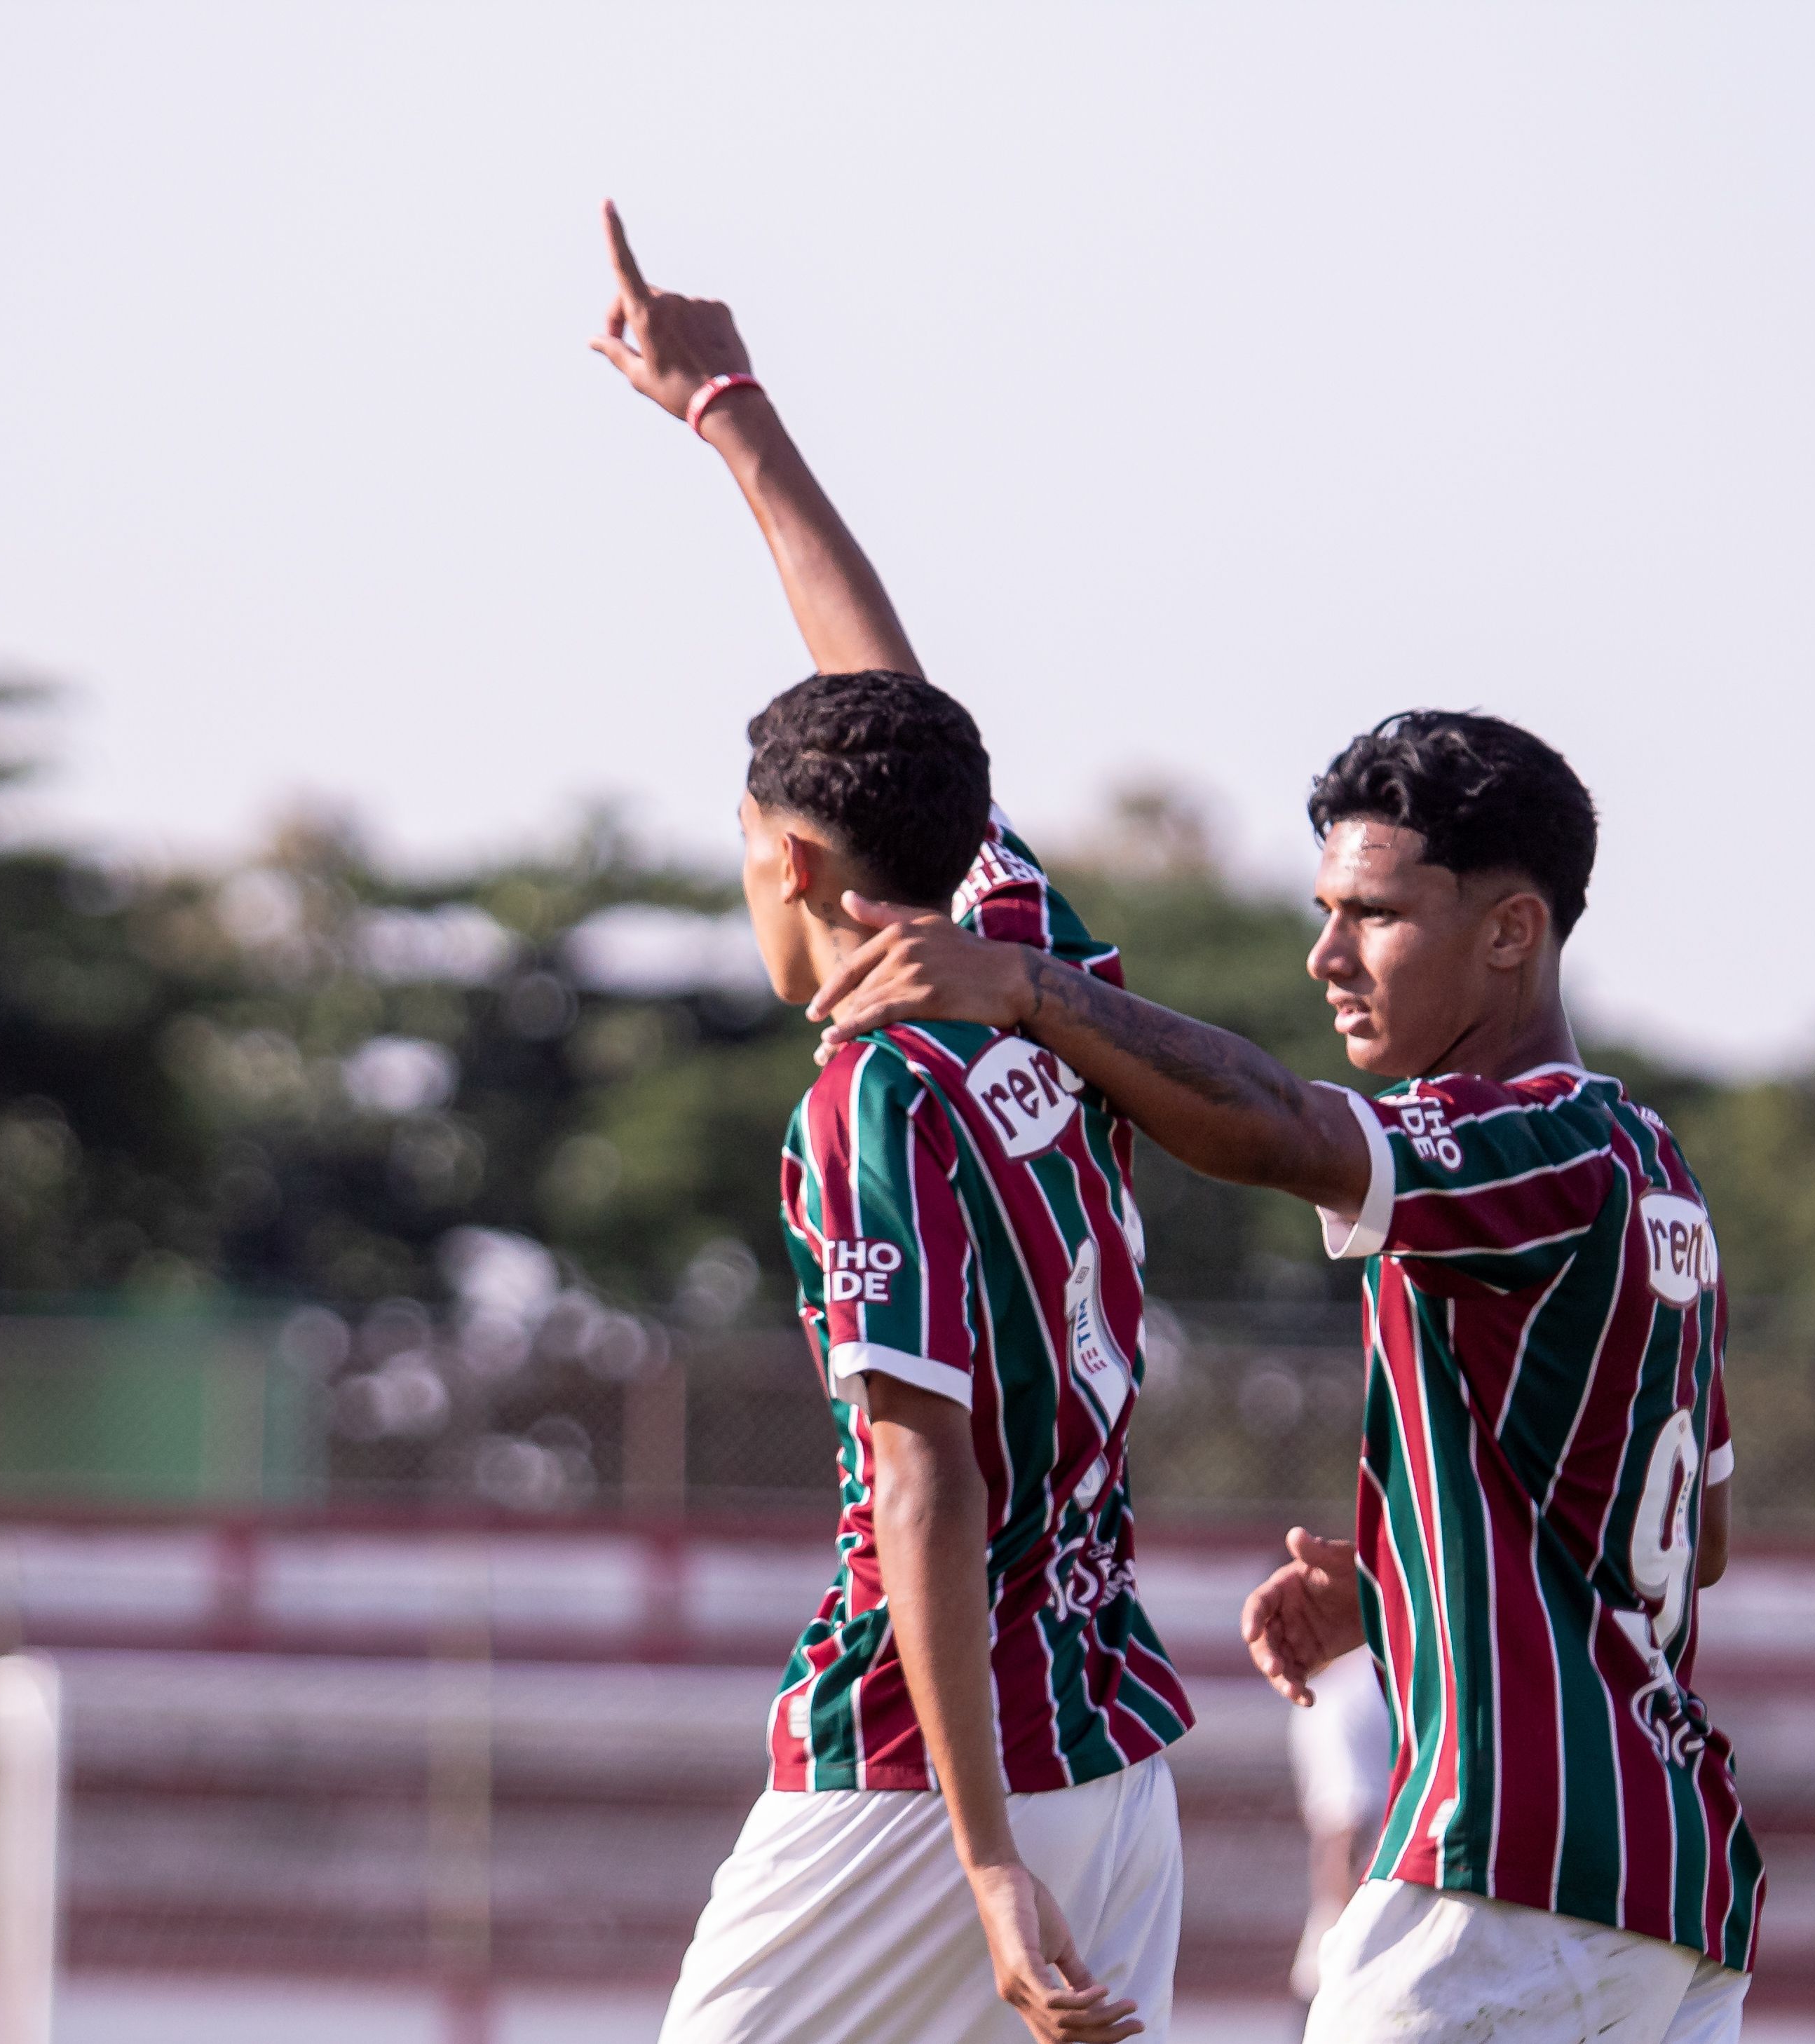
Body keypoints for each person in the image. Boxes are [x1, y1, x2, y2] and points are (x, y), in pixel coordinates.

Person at [811, 711, 1762, 2044]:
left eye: (1372, 916)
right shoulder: (1651, 1163)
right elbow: (1690, 1537)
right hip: (1675, 1897)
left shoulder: (1521, 1141)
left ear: (1509, 930)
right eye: (1323, 911)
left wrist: (1029, 986)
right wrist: (1398, 1586)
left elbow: (1275, 1125)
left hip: (1505, 1869)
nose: (1325, 956)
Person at [592, 206, 1195, 2044]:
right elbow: (899, 709)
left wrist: (980, 1850)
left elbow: (927, 1473)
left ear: (783, 862)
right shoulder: (1012, 954)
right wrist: (727, 411)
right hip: (1110, 1742)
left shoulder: (878, 1090)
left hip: (921, 1772)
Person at [1285, 1644, 1392, 2004]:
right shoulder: (1384, 1673)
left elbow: (1345, 1832)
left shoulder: (1337, 1696)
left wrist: (1343, 1944)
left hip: (1372, 1935)